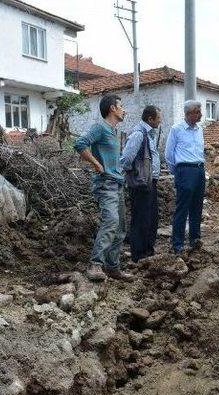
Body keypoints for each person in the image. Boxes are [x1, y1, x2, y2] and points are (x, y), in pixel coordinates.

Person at [74, 94, 134, 282]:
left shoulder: (113, 132)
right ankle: (95, 265)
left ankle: (112, 267)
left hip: (117, 184)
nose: (124, 109)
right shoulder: (100, 128)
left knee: (120, 228)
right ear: (112, 109)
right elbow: (80, 144)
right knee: (110, 222)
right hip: (105, 184)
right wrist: (95, 163)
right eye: (121, 106)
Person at [121, 105, 162, 262]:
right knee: (141, 219)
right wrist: (135, 175)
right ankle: (138, 256)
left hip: (150, 183)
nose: (160, 121)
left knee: (151, 219)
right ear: (150, 119)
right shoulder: (139, 134)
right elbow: (126, 159)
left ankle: (148, 252)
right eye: (158, 118)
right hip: (141, 184)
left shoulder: (149, 134)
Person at [165, 100, 206, 254]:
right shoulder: (177, 129)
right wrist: (179, 172)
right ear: (189, 113)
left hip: (199, 170)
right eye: (198, 111)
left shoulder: (199, 129)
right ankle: (178, 244)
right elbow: (169, 155)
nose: (201, 114)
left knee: (197, 207)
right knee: (182, 208)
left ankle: (195, 239)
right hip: (185, 170)